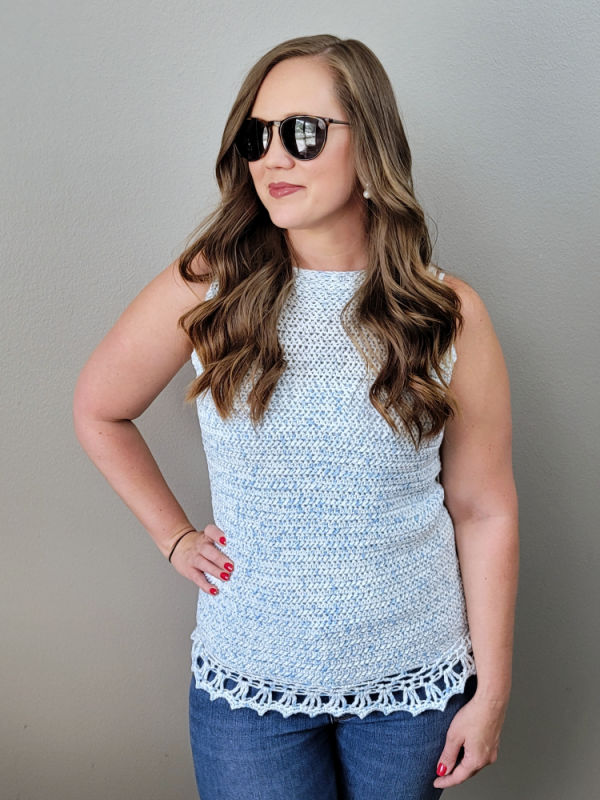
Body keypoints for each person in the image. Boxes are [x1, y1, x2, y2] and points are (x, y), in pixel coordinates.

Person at [73, 33, 519, 800]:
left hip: (411, 687)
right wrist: (173, 536)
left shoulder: (448, 313)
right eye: (257, 135)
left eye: (302, 134)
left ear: (369, 143)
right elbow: (99, 408)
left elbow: (485, 511)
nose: (274, 157)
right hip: (250, 685)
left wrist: (493, 692)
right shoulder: (207, 289)